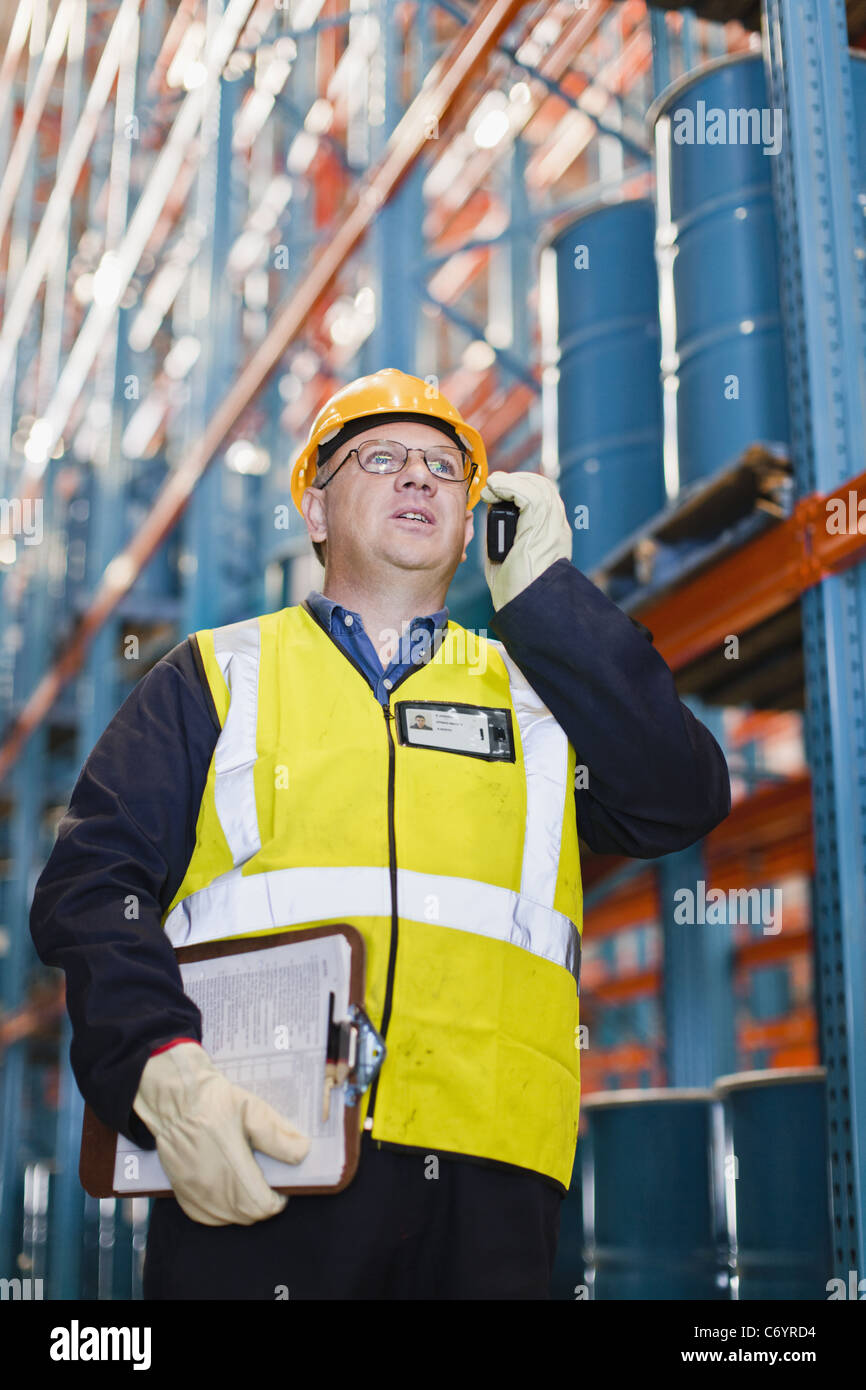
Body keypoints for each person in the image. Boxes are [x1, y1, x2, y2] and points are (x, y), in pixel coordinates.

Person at [30, 367, 731, 1300]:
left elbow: (678, 796)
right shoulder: (218, 675)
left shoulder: (536, 695)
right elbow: (89, 886)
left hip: (491, 1182)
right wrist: (154, 1065)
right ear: (316, 511)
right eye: (384, 457)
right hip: (262, 1158)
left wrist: (551, 602)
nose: (420, 478)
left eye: (446, 466)